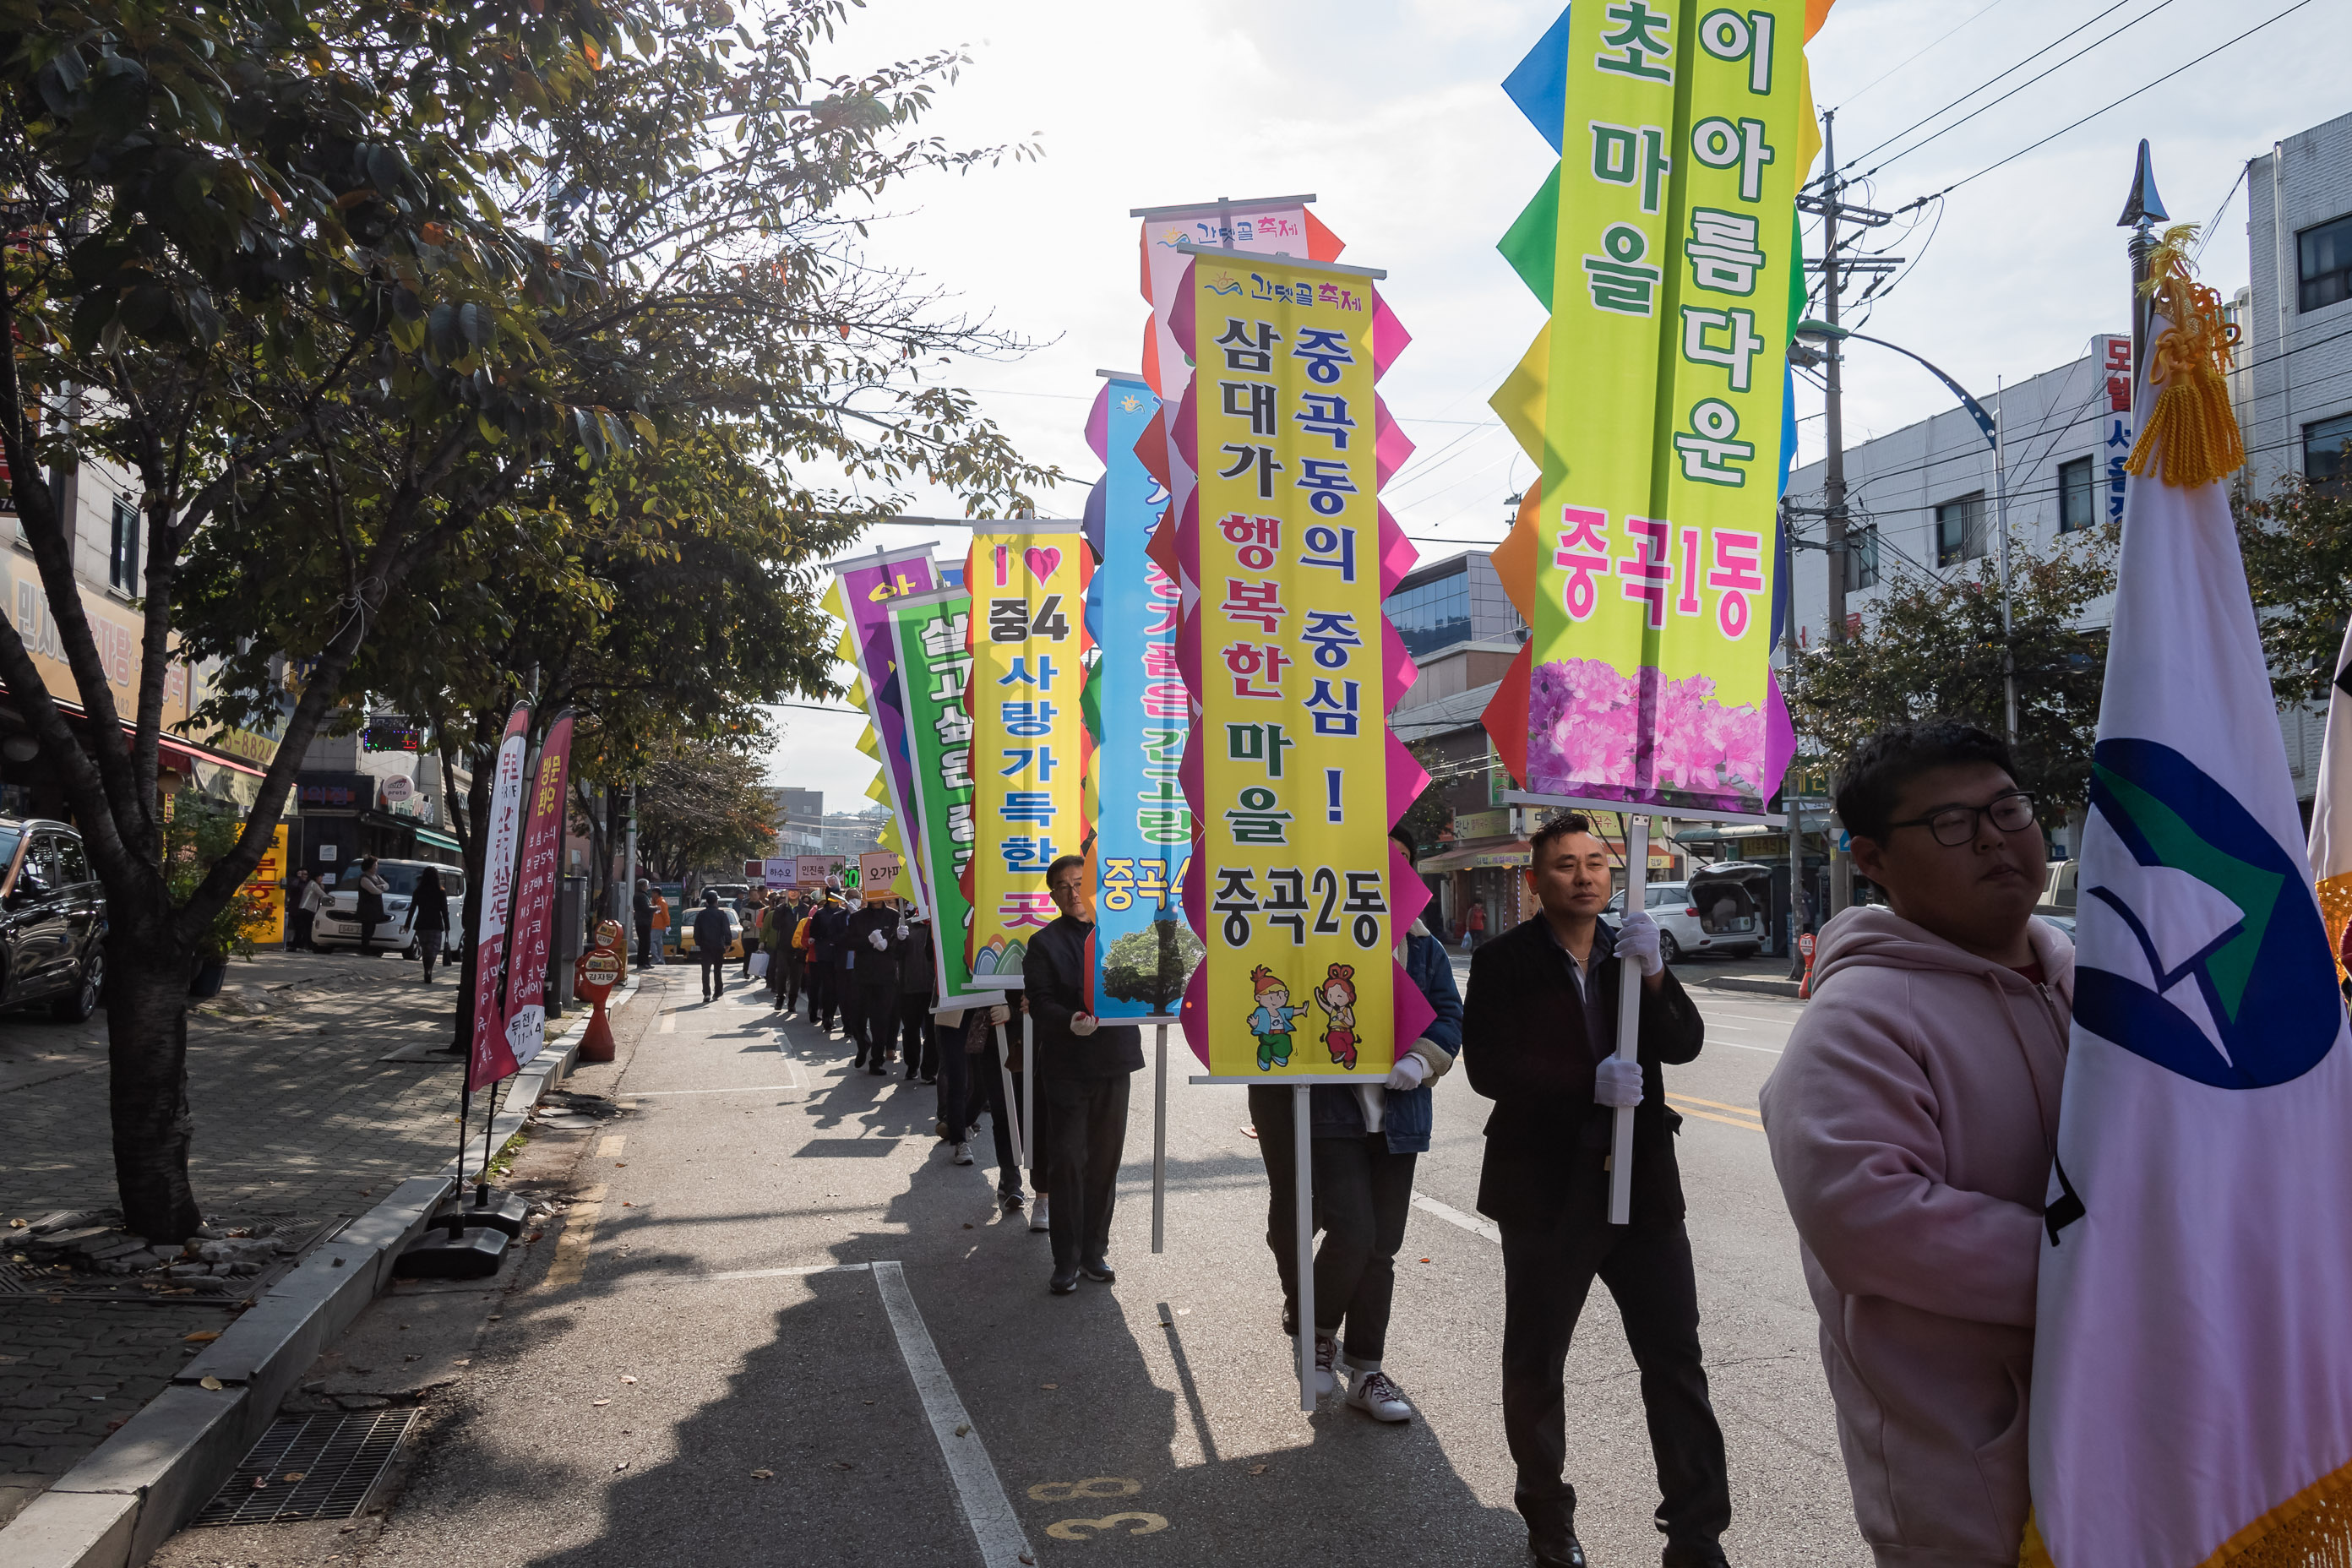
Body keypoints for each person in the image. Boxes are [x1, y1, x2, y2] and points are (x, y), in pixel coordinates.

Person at [1757, 721, 2072, 1568]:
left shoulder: (2090, 979)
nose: (1994, 837)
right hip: (1974, 1475)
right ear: (1872, 858)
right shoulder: (1856, 1020)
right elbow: (1868, 1220)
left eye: (2007, 807)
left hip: (2129, 1430)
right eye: (1949, 821)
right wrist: (2117, 1269)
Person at [1462, 812, 1726, 1568]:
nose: (1583, 877)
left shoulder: (1631, 949)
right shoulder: (1505, 961)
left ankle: (1697, 1531)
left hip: (1642, 1186)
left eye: (1595, 865)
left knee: (1675, 1357)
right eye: (1565, 866)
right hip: (1546, 1188)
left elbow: (1683, 1043)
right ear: (1535, 880)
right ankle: (1548, 1517)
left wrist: (1655, 975)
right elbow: (1490, 1067)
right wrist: (1587, 1082)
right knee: (1538, 1361)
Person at [1247, 825, 1464, 1422]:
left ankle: (1366, 1371)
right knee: (1352, 1231)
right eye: (1380, 863)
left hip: (1399, 1118)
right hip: (1332, 1114)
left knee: (1383, 1249)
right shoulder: (1320, 938)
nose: (1392, 874)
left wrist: (1422, 1058)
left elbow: (1450, 1015)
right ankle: (1315, 1334)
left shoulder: (1425, 948)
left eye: (1403, 864)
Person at [1023, 853, 1141, 1297]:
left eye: (1080, 883)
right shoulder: (1044, 943)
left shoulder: (1122, 933)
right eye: (1063, 886)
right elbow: (1040, 999)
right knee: (1069, 1161)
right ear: (1052, 895)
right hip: (1067, 1066)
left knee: (1105, 1162)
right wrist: (1067, 1020)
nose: (1073, 893)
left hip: (1115, 1060)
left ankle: (1094, 1252)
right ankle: (1065, 1259)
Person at [846, 896, 903, 1073]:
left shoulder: (894, 916)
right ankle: (863, 1043)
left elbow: (898, 948)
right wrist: (868, 941)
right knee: (857, 1017)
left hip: (886, 976)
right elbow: (848, 942)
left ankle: (876, 1061)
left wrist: (896, 941)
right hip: (863, 975)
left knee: (881, 1020)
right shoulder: (857, 917)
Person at [898, 908, 938, 1082]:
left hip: (933, 989)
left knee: (932, 1032)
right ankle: (912, 1065)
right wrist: (898, 940)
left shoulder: (939, 925)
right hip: (910, 988)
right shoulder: (906, 927)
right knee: (911, 1030)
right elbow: (895, 954)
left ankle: (929, 1070)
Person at [807, 891, 850, 1032]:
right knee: (828, 987)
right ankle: (827, 1017)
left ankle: (835, 1017)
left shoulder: (844, 913)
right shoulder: (820, 914)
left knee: (839, 988)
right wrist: (824, 938)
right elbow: (814, 932)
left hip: (840, 954)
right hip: (824, 955)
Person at [691, 890, 732, 1001]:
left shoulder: (701, 914)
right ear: (716, 901)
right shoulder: (721, 914)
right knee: (718, 970)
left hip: (705, 946)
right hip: (718, 946)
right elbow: (726, 930)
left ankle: (706, 993)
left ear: (707, 902)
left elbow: (697, 931)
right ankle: (717, 992)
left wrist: (698, 942)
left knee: (705, 971)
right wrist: (728, 943)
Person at [412, 868, 451, 983]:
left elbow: (412, 909)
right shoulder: (440, 891)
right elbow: (444, 910)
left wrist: (407, 924)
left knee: (425, 949)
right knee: (433, 949)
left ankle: (426, 970)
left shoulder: (418, 891)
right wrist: (447, 926)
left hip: (421, 924)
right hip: (435, 924)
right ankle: (429, 969)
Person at [355, 857, 390, 956]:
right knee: (367, 929)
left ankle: (367, 948)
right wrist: (380, 889)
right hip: (367, 908)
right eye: (374, 865)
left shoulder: (376, 877)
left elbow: (387, 885)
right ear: (369, 866)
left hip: (375, 908)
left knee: (372, 928)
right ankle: (364, 948)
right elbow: (374, 890)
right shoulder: (364, 878)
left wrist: (382, 887)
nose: (376, 867)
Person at [290, 869, 324, 953]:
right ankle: (303, 946)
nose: (304, 876)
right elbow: (322, 894)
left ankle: (299, 946)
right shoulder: (306, 883)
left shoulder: (311, 884)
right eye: (302, 874)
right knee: (303, 929)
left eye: (306, 874)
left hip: (306, 909)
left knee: (304, 929)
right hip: (302, 909)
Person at [633, 879, 656, 970]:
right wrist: (655, 908)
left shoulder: (641, 895)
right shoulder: (641, 896)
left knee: (645, 943)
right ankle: (642, 962)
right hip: (643, 923)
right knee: (644, 943)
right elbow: (646, 908)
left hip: (643, 922)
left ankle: (645, 962)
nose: (648, 887)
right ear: (644, 886)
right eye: (647, 885)